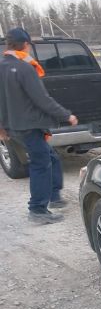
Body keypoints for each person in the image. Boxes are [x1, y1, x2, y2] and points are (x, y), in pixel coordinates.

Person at [0, 28, 78, 225]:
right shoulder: (24, 67)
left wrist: (1, 127)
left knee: (50, 157)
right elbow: (41, 99)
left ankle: (54, 196)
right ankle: (37, 210)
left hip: (14, 126)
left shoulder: (2, 66)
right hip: (30, 126)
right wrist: (66, 115)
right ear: (26, 45)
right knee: (41, 164)